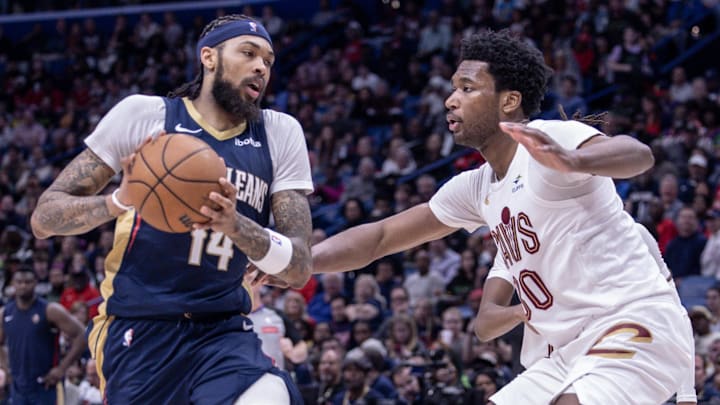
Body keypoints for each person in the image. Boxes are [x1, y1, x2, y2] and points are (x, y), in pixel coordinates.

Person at [300, 30, 693, 404]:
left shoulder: (549, 138)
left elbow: (638, 154)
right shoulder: (476, 187)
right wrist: (300, 262)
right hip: (567, 349)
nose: (451, 100)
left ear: (508, 101)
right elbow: (382, 236)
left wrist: (574, 160)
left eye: (467, 88)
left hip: (635, 320)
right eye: (454, 87)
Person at [30, 15, 312, 405]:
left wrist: (236, 225)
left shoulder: (279, 133)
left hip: (223, 330)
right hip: (139, 329)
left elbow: (299, 266)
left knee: (270, 395)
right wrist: (118, 201)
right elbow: (44, 219)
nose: (261, 67)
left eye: (268, 60)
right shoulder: (146, 116)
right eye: (248, 53)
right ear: (208, 57)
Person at [0, 267, 87, 405]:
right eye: (19, 281)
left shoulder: (50, 310)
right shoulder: (5, 313)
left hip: (46, 385)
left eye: (27, 281)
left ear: (35, 283)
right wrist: (5, 368)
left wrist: (62, 368)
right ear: (12, 284)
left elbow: (83, 334)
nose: (23, 285)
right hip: (18, 387)